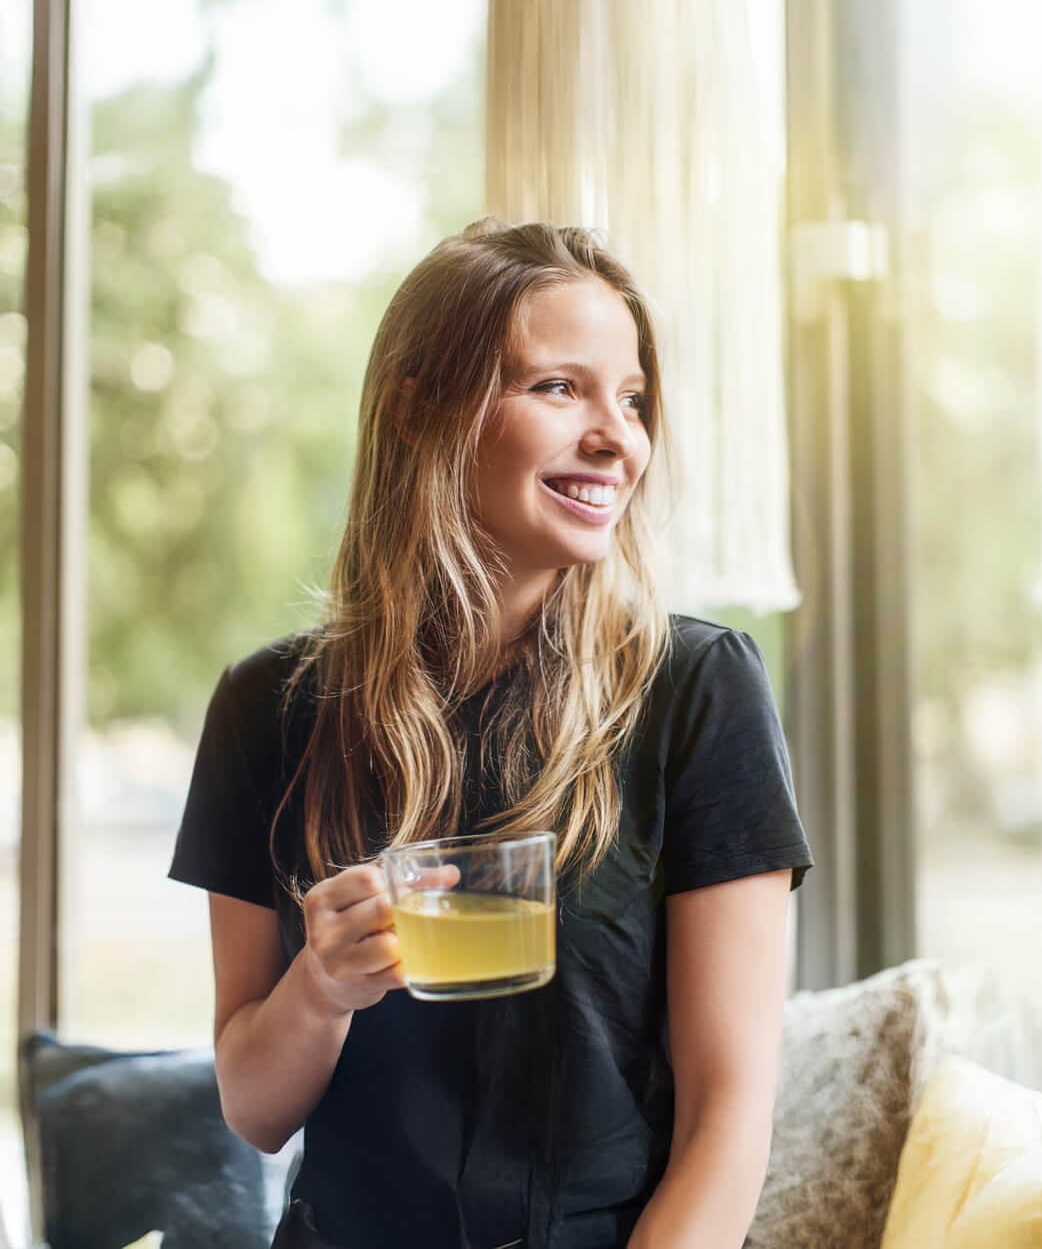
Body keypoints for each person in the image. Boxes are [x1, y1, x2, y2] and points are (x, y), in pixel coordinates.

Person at [169, 217, 814, 1249]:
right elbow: (254, 1108)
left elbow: (727, 1117)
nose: (617, 437)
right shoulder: (266, 708)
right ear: (422, 408)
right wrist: (321, 985)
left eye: (633, 398)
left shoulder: (697, 689)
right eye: (560, 388)